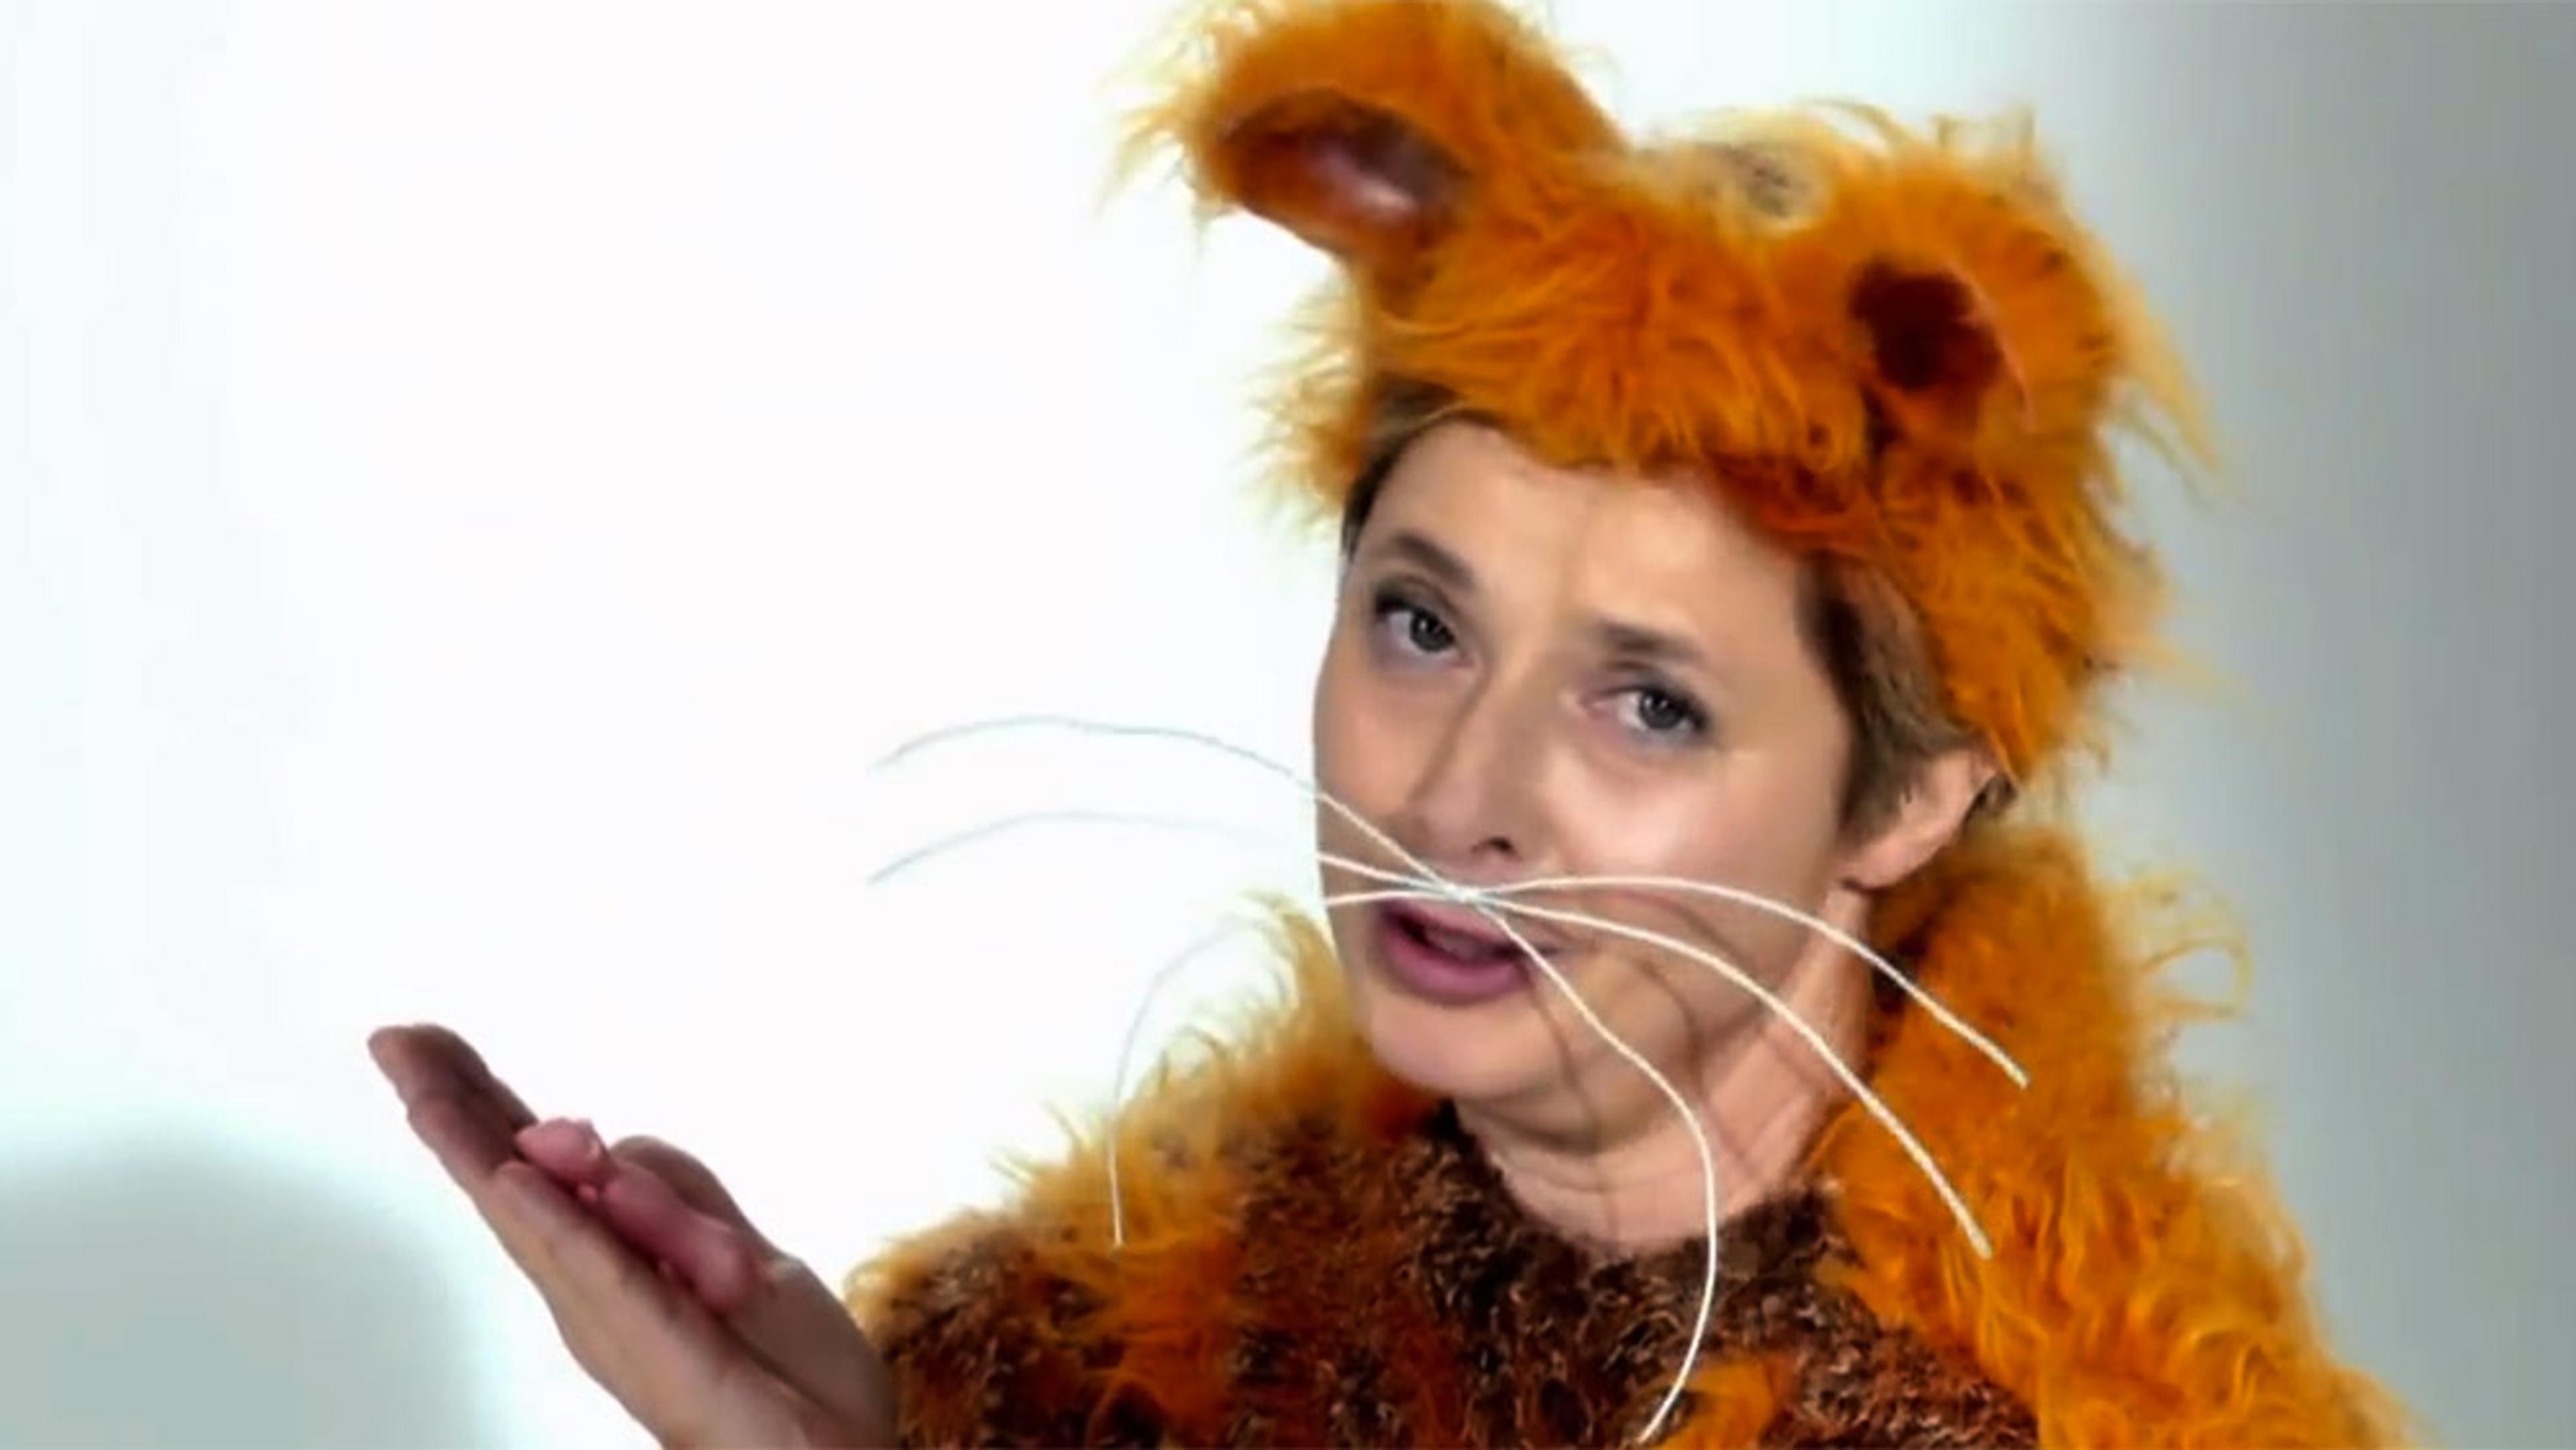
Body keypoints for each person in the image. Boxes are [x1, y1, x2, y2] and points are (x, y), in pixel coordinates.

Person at [369, 0, 2412, 1443]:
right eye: (1424, 624)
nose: (1457, 792)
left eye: (1649, 699)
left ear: (1912, 794)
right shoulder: (1135, 1346)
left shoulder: (2040, 1424)